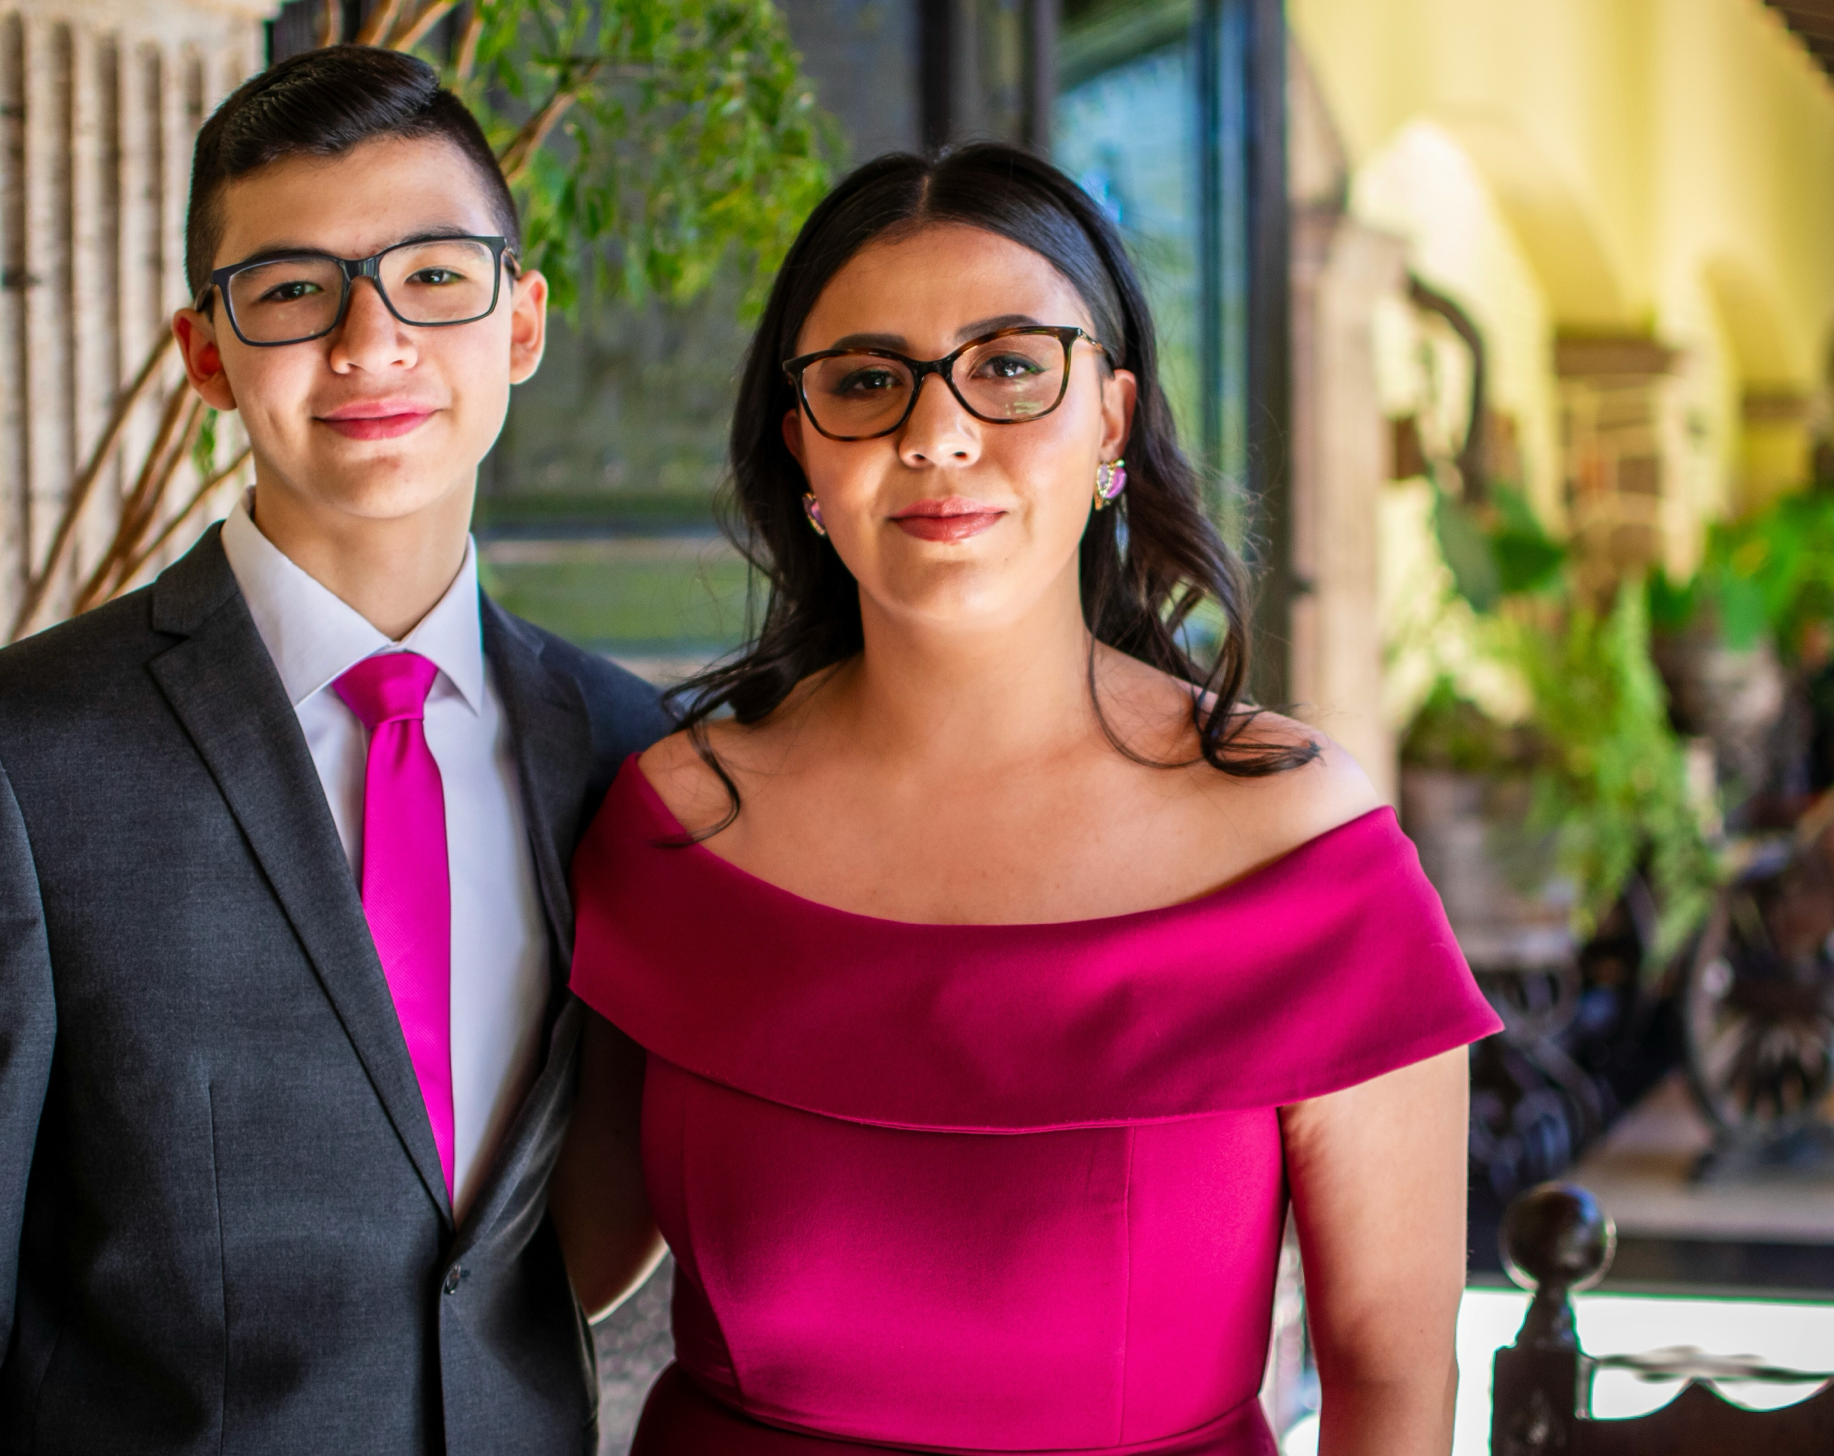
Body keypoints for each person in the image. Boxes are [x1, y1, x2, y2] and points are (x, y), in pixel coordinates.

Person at [550, 145, 1498, 1456]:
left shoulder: (1301, 849)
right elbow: (542, 1273)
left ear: (1110, 419)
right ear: (804, 452)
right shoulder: (679, 824)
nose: (935, 432)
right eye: (868, 382)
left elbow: (1395, 1390)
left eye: (1006, 366)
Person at [0, 45, 670, 1456]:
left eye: (434, 275)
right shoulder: (13, 761)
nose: (369, 343)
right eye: (291, 290)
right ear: (207, 352)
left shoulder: (635, 755)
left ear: (521, 320)